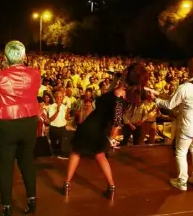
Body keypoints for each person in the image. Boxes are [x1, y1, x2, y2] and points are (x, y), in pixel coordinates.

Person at [63, 62, 149, 200]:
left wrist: (112, 136)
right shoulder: (127, 92)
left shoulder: (120, 94)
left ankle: (67, 184)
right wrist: (117, 81)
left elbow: (117, 117)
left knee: (76, 151)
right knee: (99, 155)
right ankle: (111, 186)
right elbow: (111, 104)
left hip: (93, 125)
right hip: (102, 127)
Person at [0, 40, 40, 216]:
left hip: (6, 124)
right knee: (27, 160)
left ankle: (6, 206)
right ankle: (32, 200)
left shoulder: (0, 77)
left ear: (5, 58)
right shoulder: (35, 74)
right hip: (29, 121)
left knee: (6, 166)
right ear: (24, 57)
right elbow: (32, 94)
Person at [151, 57, 193, 191]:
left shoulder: (186, 87)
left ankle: (182, 181)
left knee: (181, 152)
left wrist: (155, 100)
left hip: (187, 127)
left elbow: (170, 105)